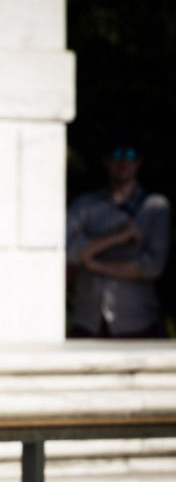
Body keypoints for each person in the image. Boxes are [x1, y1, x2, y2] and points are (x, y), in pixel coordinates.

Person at [67, 140, 170, 338]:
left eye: (130, 155)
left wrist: (94, 264)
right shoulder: (84, 205)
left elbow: (151, 267)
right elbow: (70, 252)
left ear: (139, 162)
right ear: (105, 161)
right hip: (87, 320)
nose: (123, 160)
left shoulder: (155, 207)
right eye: (116, 154)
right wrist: (117, 237)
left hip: (137, 321)